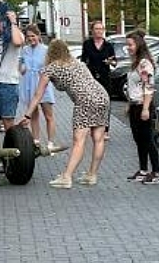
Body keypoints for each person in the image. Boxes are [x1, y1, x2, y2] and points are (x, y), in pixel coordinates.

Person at [19, 38, 109, 188]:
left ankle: (66, 177)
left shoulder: (51, 68)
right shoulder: (78, 64)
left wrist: (27, 115)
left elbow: (38, 95)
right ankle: (91, 175)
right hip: (102, 96)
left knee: (78, 140)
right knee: (98, 139)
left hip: (85, 100)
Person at [0, 0, 25, 150]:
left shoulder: (16, 34)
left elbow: (17, 42)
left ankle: (10, 156)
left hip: (8, 85)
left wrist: (13, 21)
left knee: (8, 124)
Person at [124, 30, 159, 184]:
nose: (128, 48)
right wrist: (129, 104)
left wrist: (146, 108)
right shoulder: (135, 63)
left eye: (130, 45)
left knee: (148, 139)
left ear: (138, 45)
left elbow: (148, 87)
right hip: (134, 105)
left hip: (142, 106)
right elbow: (133, 86)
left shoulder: (145, 63)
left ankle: (157, 172)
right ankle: (143, 170)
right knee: (139, 139)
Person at [18, 25, 57, 152]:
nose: (30, 38)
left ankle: (51, 143)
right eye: (28, 36)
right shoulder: (24, 50)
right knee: (33, 115)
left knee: (48, 115)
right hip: (29, 83)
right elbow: (21, 65)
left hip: (43, 83)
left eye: (33, 36)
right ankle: (36, 141)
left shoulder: (46, 50)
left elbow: (52, 66)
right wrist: (22, 68)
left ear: (39, 36)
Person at [80, 20, 116, 138]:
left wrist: (110, 61)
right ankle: (93, 127)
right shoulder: (87, 44)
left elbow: (115, 62)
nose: (99, 31)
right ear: (92, 31)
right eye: (97, 29)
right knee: (92, 103)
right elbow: (83, 61)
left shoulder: (108, 45)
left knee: (105, 103)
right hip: (91, 78)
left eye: (101, 29)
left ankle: (105, 130)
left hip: (105, 77)